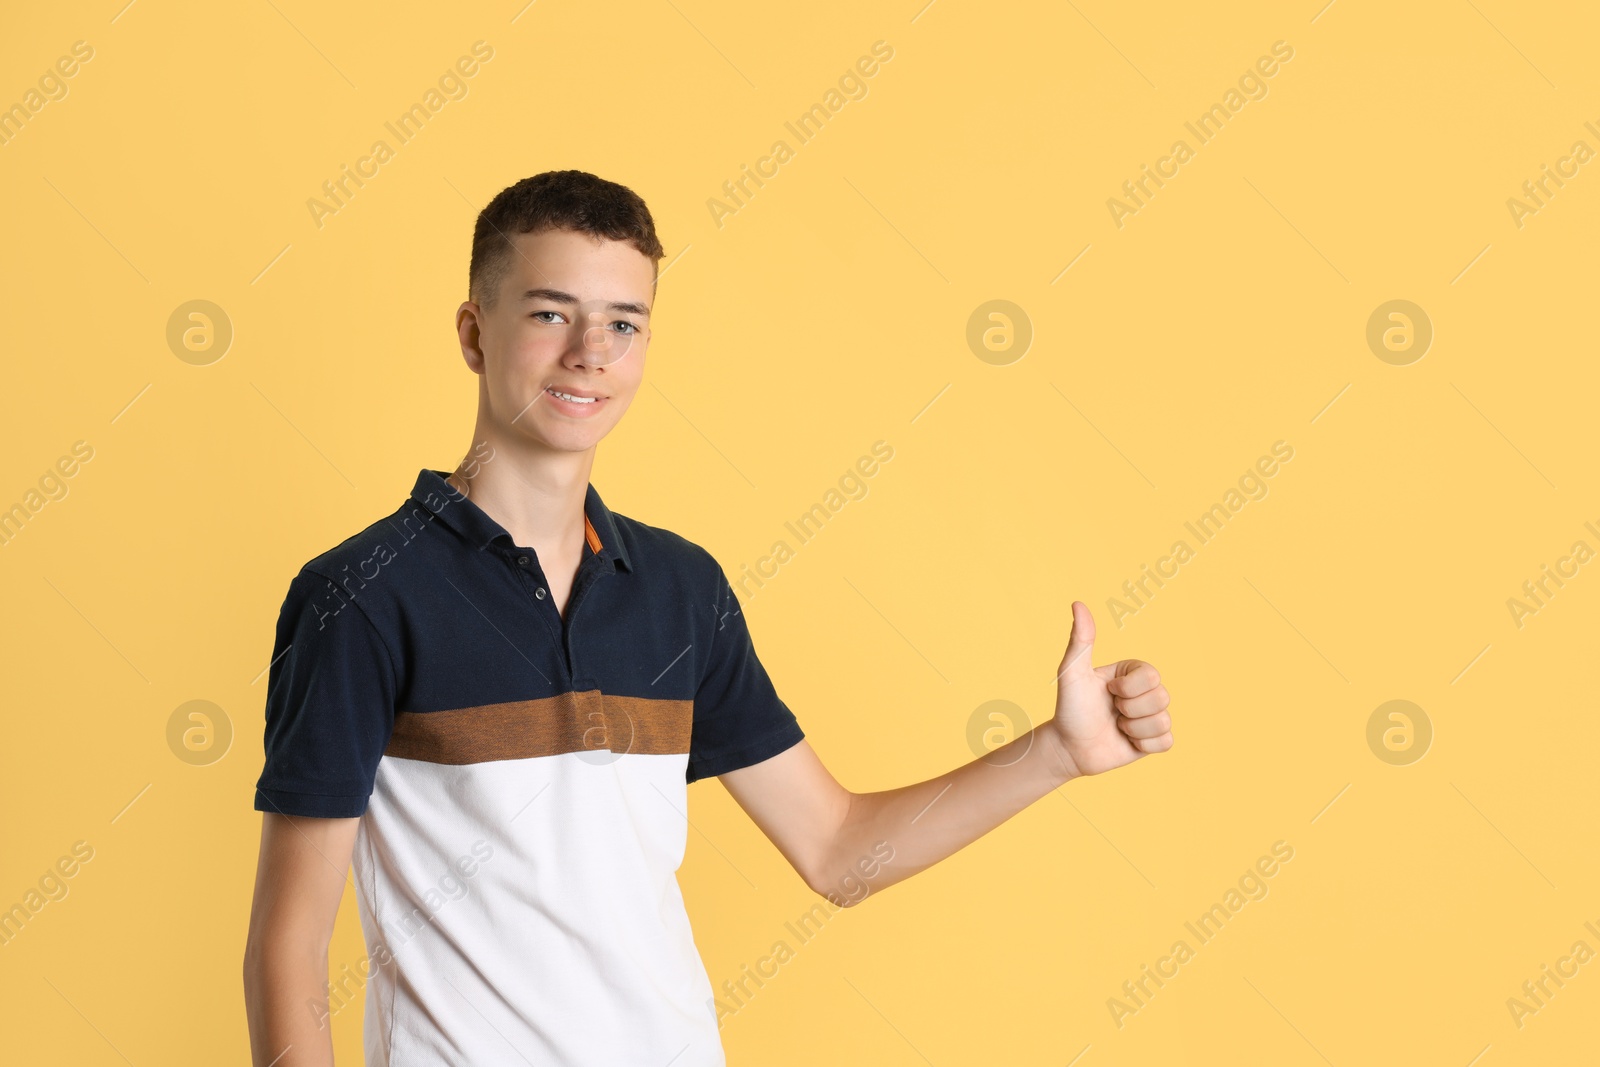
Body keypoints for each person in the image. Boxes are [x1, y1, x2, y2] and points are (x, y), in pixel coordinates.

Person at [241, 169, 1174, 1066]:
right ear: (473, 329)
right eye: (549, 312)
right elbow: (289, 946)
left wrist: (1054, 751)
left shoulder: (681, 588)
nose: (590, 353)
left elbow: (839, 849)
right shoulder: (362, 594)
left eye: (623, 322)